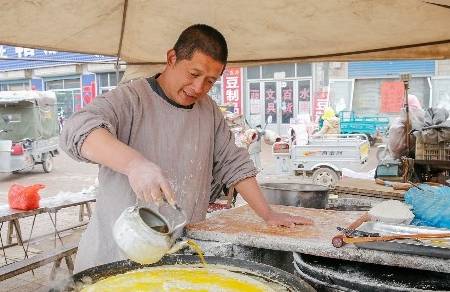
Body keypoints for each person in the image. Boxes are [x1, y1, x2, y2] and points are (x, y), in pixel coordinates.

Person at [60, 24, 313, 272]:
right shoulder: (131, 98)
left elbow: (233, 163)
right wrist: (134, 165)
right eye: (193, 74)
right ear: (172, 58)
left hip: (174, 258)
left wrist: (268, 214)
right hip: (114, 257)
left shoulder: (208, 111)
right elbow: (77, 129)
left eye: (210, 81)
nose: (198, 88)